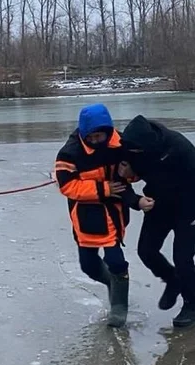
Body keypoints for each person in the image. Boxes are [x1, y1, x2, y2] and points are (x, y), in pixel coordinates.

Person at [53, 104, 154, 328]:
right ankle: (112, 283)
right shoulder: (70, 153)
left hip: (114, 214)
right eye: (92, 136)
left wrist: (135, 189)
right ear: (84, 133)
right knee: (88, 265)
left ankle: (119, 306)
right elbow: (68, 187)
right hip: (85, 217)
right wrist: (104, 189)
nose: (97, 140)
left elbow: (131, 176)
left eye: (101, 135)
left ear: (108, 131)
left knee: (116, 260)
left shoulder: (120, 144)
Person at [118, 115, 195, 328]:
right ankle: (172, 280)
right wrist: (136, 200)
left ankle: (192, 305)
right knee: (146, 251)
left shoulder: (177, 144)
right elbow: (119, 183)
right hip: (158, 205)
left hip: (188, 207)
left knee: (183, 258)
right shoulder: (128, 148)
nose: (134, 155)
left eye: (138, 152)